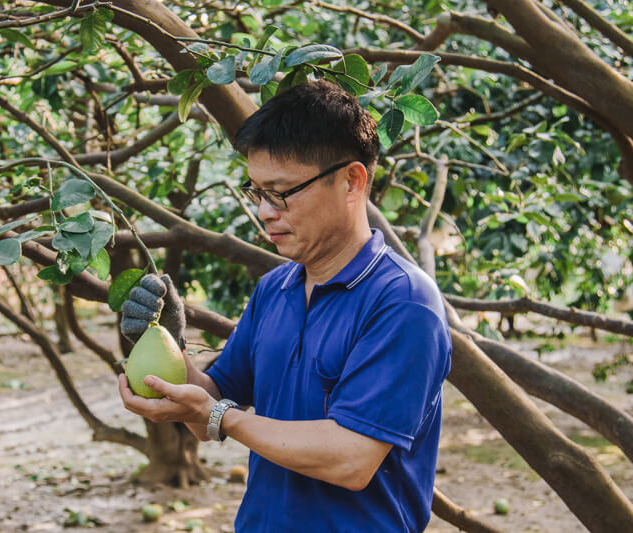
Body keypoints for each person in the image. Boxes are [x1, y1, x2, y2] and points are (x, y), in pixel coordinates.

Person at [118, 80, 452, 533]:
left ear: (352, 181)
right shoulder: (275, 289)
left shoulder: (404, 301)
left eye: (281, 192)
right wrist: (166, 346)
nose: (265, 212)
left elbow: (351, 459)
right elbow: (209, 407)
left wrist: (221, 418)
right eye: (257, 192)